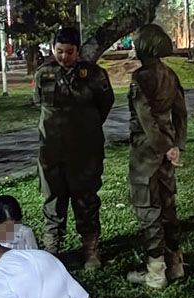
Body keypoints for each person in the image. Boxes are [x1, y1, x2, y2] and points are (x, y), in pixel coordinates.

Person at [33, 26, 115, 270]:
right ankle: (52, 250)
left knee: (86, 199)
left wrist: (85, 126)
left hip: (85, 152)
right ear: (53, 49)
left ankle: (90, 250)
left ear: (78, 51)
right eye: (59, 51)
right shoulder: (44, 73)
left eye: (69, 52)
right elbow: (38, 101)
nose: (64, 57)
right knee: (52, 199)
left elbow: (105, 104)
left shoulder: (94, 74)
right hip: (52, 151)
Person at [126, 24, 187, 290]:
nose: (133, 45)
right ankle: (176, 265)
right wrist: (177, 146)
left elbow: (146, 118)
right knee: (168, 206)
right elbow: (182, 113)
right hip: (166, 153)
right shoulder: (170, 75)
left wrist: (163, 147)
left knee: (148, 208)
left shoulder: (141, 77)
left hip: (147, 153)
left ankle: (155, 272)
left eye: (136, 41)